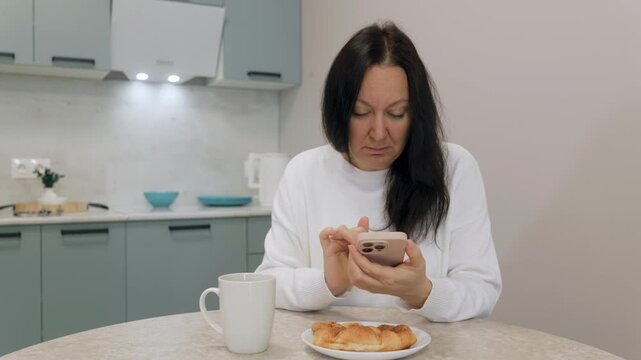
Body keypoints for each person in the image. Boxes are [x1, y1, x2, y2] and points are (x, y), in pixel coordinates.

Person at [255, 21, 501, 322]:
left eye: (396, 113)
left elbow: (483, 290)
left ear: (415, 114)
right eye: (361, 113)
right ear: (339, 110)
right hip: (332, 348)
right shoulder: (304, 172)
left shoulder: (454, 168)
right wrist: (332, 281)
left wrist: (422, 291)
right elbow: (269, 282)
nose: (379, 132)